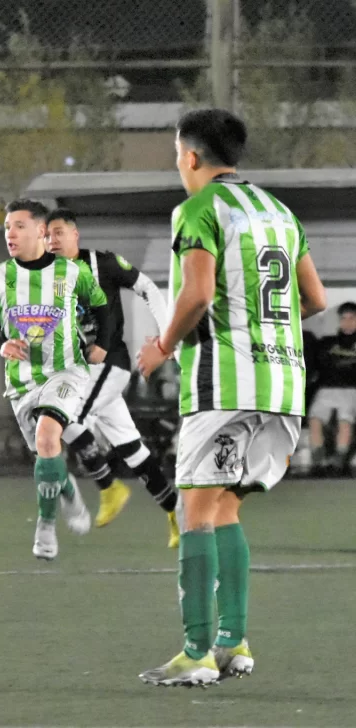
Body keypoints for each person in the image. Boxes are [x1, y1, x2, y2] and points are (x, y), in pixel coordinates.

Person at [135, 108, 327, 686]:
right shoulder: (280, 212)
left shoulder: (197, 208)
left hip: (224, 384)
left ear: (190, 156)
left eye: (176, 153)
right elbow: (313, 298)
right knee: (225, 508)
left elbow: (195, 294)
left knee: (193, 511)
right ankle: (233, 642)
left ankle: (195, 653)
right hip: (283, 384)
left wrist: (161, 347)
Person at [0, 198, 110, 560]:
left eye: (18, 226)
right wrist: (0, 347)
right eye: (6, 227)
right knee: (47, 456)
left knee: (49, 437)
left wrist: (103, 346)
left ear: (41, 231)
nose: (10, 234)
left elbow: (102, 306)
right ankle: (68, 492)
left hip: (66, 372)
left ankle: (45, 526)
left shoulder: (72, 273)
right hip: (21, 384)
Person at [44, 208, 180, 549]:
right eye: (48, 235)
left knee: (64, 417)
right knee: (132, 448)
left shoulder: (102, 263)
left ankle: (109, 485)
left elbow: (147, 287)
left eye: (59, 232)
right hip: (80, 373)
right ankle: (176, 513)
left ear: (76, 235)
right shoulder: (48, 276)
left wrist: (166, 338)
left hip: (108, 366)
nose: (52, 240)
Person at [308, 301, 356, 474]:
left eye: (352, 318)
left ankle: (338, 462)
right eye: (344, 319)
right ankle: (318, 462)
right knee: (315, 419)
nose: (348, 322)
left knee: (345, 421)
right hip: (326, 389)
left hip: (351, 390)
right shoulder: (327, 343)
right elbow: (318, 367)